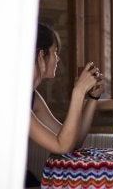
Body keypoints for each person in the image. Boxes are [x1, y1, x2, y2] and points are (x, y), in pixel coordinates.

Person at [29, 23, 105, 154]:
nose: (58, 59)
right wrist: (78, 91)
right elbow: (62, 147)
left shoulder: (32, 97)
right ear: (41, 56)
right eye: (55, 52)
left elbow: (74, 141)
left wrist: (93, 98)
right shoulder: (16, 101)